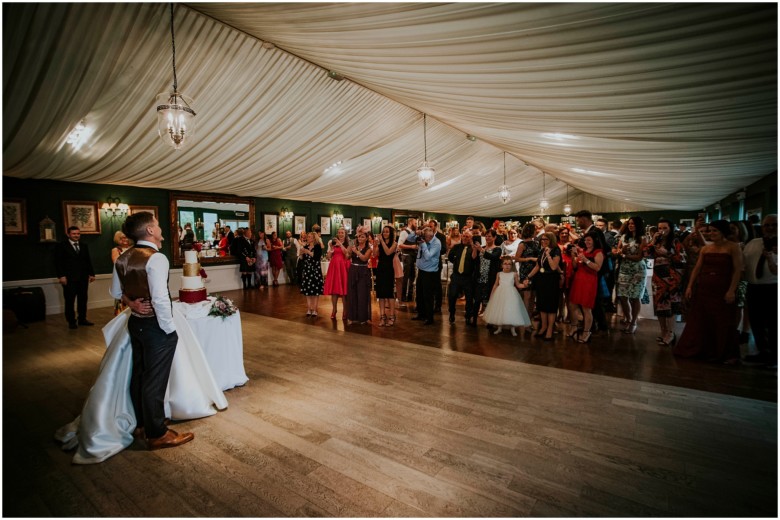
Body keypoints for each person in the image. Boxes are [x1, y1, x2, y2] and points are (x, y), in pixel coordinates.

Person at [110, 211, 194, 450]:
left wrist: (131, 303)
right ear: (149, 230)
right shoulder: (156, 258)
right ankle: (157, 434)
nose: (160, 229)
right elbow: (159, 298)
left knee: (139, 374)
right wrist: (169, 330)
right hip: (156, 327)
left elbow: (116, 293)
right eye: (156, 225)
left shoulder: (123, 257)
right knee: (154, 380)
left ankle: (142, 425)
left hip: (135, 323)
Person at [674, 220, 742, 364]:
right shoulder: (706, 249)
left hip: (722, 287)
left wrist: (731, 290)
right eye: (709, 231)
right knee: (700, 319)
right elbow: (697, 269)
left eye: (714, 231)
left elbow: (737, 270)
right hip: (704, 288)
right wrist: (690, 286)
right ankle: (702, 349)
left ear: (723, 232)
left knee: (722, 320)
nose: (710, 233)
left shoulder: (733, 247)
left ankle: (723, 352)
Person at [741, 214, 777, 368]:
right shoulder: (753, 243)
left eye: (774, 225)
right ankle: (762, 352)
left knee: (773, 323)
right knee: (756, 321)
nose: (770, 228)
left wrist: (770, 257)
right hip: (754, 287)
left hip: (773, 288)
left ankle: (775, 356)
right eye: (766, 225)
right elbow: (744, 261)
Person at [646, 219, 686, 346]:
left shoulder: (675, 241)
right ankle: (663, 332)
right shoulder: (656, 242)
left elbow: (683, 259)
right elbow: (646, 254)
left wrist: (668, 254)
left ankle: (670, 333)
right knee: (660, 306)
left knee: (671, 307)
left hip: (672, 278)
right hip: (658, 277)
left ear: (670, 229)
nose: (662, 231)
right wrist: (652, 241)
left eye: (665, 228)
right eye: (659, 228)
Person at [55, 226, 96, 329]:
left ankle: (82, 319)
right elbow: (58, 262)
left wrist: (92, 274)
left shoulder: (84, 246)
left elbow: (88, 261)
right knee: (70, 301)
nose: (76, 235)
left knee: (83, 300)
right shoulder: (61, 246)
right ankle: (71, 321)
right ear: (68, 234)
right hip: (69, 279)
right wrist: (61, 276)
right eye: (74, 234)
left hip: (83, 278)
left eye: (78, 233)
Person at [566, 231, 604, 343]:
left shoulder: (598, 252)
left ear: (594, 241)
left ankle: (587, 332)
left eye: (589, 240)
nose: (587, 242)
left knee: (586, 307)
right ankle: (574, 326)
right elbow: (575, 266)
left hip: (589, 281)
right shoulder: (583, 251)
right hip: (578, 279)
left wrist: (586, 260)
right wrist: (574, 255)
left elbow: (597, 268)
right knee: (572, 304)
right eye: (586, 240)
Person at [523, 232, 562, 341]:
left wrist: (549, 255)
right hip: (541, 280)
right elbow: (538, 266)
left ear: (551, 240)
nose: (543, 241)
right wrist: (528, 277)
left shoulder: (556, 250)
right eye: (542, 239)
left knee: (551, 306)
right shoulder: (541, 250)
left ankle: (549, 329)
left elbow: (554, 267)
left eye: (546, 240)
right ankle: (543, 326)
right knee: (542, 304)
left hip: (551, 281)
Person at [614, 216, 648, 334]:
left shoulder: (643, 238)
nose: (630, 225)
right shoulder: (624, 237)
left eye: (633, 223)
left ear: (638, 225)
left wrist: (624, 255)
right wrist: (621, 251)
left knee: (635, 297)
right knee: (623, 296)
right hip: (624, 268)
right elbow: (617, 252)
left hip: (638, 269)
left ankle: (634, 322)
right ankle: (628, 319)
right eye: (629, 223)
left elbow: (639, 257)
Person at [483, 256, 531, 336]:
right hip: (500, 293)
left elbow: (518, 285)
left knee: (511, 310)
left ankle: (513, 329)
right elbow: (495, 285)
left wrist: (525, 285)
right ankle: (499, 327)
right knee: (500, 310)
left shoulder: (514, 274)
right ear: (502, 265)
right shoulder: (499, 274)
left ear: (511, 265)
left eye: (509, 264)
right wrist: (492, 294)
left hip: (511, 294)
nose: (507, 266)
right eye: (505, 264)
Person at [446, 229, 480, 326]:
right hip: (456, 276)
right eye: (464, 236)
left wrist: (474, 247)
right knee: (452, 296)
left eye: (467, 236)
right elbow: (450, 257)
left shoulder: (473, 248)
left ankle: (468, 316)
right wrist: (456, 261)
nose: (465, 238)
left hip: (468, 277)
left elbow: (475, 259)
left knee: (469, 299)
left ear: (471, 238)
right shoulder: (456, 247)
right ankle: (452, 313)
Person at [411, 227, 441, 325]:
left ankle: (429, 317)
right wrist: (416, 233)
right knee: (419, 294)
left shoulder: (436, 243)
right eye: (423, 236)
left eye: (425, 237)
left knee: (427, 296)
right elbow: (409, 238)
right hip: (421, 271)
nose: (423, 238)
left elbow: (428, 256)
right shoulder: (423, 238)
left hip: (430, 272)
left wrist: (423, 244)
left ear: (430, 236)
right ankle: (421, 314)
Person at [514, 223, 540, 324]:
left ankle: (529, 319)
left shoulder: (536, 243)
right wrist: (529, 258)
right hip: (526, 272)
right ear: (530, 231)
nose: (536, 231)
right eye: (535, 230)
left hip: (535, 271)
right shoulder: (522, 244)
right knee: (527, 296)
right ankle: (524, 319)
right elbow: (516, 259)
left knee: (533, 297)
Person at [345, 230, 372, 324]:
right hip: (353, 271)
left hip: (363, 272)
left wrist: (356, 251)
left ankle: (363, 318)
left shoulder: (369, 248)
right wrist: (349, 250)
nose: (360, 238)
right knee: (352, 294)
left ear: (366, 238)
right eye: (359, 236)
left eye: (362, 237)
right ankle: (352, 317)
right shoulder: (353, 246)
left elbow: (364, 258)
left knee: (362, 294)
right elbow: (347, 257)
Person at [323, 227, 350, 320]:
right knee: (334, 290)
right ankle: (334, 310)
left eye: (342, 232)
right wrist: (331, 248)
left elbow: (347, 254)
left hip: (343, 267)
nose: (340, 234)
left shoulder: (347, 243)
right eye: (339, 232)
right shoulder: (332, 243)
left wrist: (340, 244)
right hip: (334, 266)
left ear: (345, 234)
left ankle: (345, 311)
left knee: (344, 292)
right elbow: (328, 257)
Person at [475, 229, 502, 318]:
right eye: (486, 236)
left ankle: (489, 312)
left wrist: (481, 250)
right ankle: (480, 309)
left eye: (489, 236)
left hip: (490, 274)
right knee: (479, 294)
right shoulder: (482, 247)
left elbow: (493, 257)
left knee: (489, 293)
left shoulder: (497, 249)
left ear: (494, 237)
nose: (487, 238)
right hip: (481, 274)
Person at [374, 225, 398, 326]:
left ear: (391, 233)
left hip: (388, 269)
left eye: (387, 232)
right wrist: (376, 245)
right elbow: (375, 255)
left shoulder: (394, 243)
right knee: (381, 294)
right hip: (380, 268)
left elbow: (388, 252)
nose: (385, 233)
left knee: (389, 293)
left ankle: (392, 316)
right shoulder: (380, 243)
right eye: (383, 232)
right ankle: (382, 316)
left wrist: (382, 242)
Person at [298, 232, 324, 317]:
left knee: (315, 291)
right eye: (307, 237)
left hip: (315, 270)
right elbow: (302, 258)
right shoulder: (305, 247)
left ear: (313, 238)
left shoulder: (318, 247)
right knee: (308, 291)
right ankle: (309, 309)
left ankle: (315, 309)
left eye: (309, 237)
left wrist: (308, 252)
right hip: (307, 270)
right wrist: (301, 253)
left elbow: (316, 257)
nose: (307, 238)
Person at [110, 231, 133, 316]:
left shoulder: (134, 248)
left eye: (126, 237)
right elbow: (116, 262)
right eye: (122, 238)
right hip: (121, 278)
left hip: (133, 277)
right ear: (118, 239)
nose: (125, 239)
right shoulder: (115, 250)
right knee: (121, 296)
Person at [429, 219, 448, 313]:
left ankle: (437, 306)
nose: (429, 228)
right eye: (428, 226)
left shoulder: (441, 236)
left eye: (431, 226)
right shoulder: (426, 236)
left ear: (436, 227)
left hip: (436, 263)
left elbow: (444, 249)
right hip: (426, 264)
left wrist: (433, 252)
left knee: (436, 284)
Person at [398, 218, 418, 304]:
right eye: (415, 223)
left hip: (413, 257)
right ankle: (402, 296)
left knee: (412, 276)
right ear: (410, 223)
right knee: (405, 277)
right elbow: (400, 245)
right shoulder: (404, 232)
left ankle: (409, 295)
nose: (416, 225)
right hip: (406, 256)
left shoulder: (413, 233)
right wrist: (411, 247)